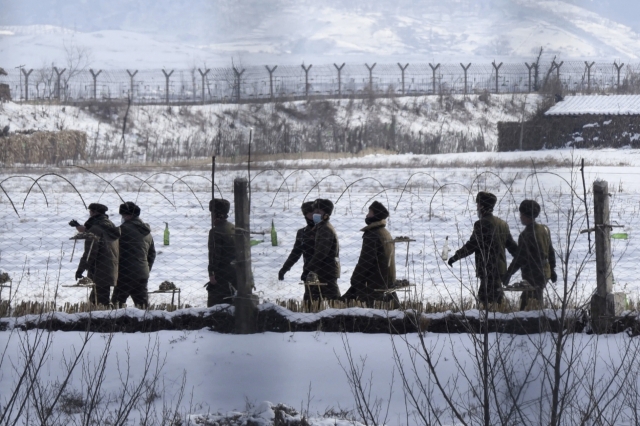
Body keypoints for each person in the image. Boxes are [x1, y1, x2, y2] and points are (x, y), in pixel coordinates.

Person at [448, 192, 518, 306]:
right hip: (500, 270)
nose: (477, 208)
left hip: (488, 270)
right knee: (497, 300)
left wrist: (456, 257)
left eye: (477, 205)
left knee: (485, 301)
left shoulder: (481, 224)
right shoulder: (502, 224)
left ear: (481, 207)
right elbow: (512, 247)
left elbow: (472, 245)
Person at [342, 201, 399, 308]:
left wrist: (355, 279)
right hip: (386, 281)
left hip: (373, 283)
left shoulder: (372, 234)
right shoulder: (385, 233)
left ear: (376, 215)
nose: (367, 215)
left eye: (370, 213)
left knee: (369, 315)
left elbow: (366, 260)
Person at [504, 200, 557, 310]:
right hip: (545, 272)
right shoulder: (545, 229)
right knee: (534, 300)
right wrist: (552, 270)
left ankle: (536, 324)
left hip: (533, 275)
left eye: (521, 214)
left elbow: (520, 258)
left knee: (529, 306)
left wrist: (508, 274)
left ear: (526, 216)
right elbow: (550, 251)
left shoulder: (526, 235)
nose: (520, 217)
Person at [71, 203, 120, 306]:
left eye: (90, 212)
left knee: (100, 302)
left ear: (93, 212)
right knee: (97, 300)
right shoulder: (110, 226)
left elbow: (90, 252)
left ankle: (106, 320)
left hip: (99, 269)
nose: (89, 214)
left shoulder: (96, 229)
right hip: (110, 268)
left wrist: (81, 269)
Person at [111, 202, 156, 308]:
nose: (122, 217)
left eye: (123, 215)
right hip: (142, 273)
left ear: (128, 215)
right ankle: (145, 323)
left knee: (116, 304)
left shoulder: (122, 230)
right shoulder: (147, 232)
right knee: (142, 305)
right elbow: (152, 254)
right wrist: (146, 268)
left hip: (125, 272)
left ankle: (116, 324)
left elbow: (112, 249)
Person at [305, 198, 341, 301]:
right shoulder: (321, 227)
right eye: (314, 211)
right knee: (317, 299)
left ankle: (340, 316)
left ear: (326, 214)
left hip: (327, 270)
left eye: (318, 211)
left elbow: (321, 253)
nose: (314, 214)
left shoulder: (325, 229)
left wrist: (309, 268)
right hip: (324, 269)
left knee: (334, 301)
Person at [207, 198, 236, 307]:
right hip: (237, 274)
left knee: (215, 308)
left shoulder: (216, 231)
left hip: (222, 275)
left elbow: (215, 255)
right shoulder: (234, 228)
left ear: (216, 214)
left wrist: (212, 273)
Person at [278, 201, 315, 282]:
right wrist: (284, 268)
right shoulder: (302, 232)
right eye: (310, 214)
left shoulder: (326, 230)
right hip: (309, 273)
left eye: (315, 213)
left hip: (326, 272)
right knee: (309, 295)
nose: (313, 216)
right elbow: (296, 253)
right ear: (305, 215)